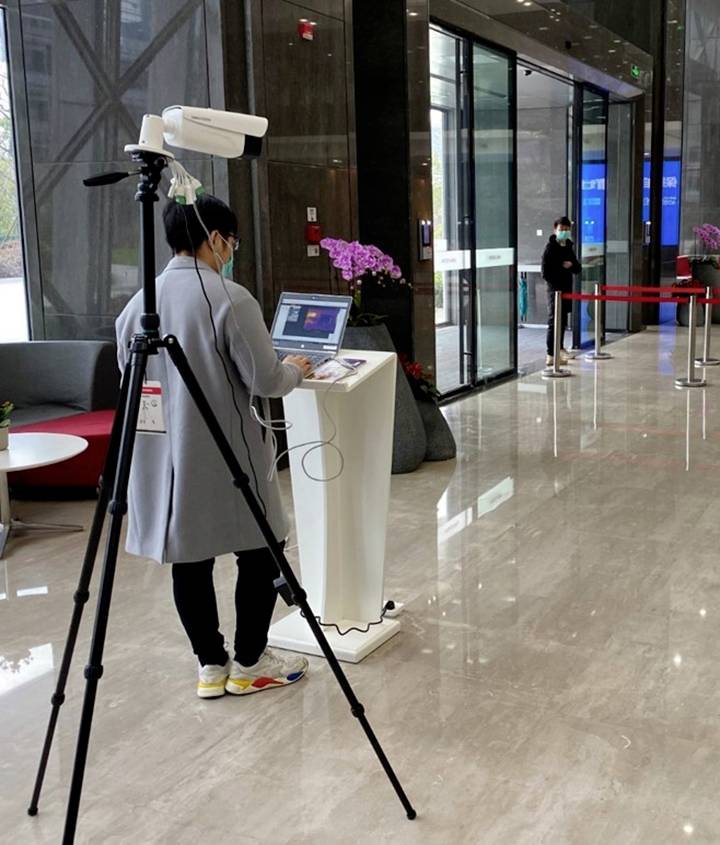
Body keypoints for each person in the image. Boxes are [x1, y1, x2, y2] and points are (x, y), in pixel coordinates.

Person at [115, 194, 313, 699]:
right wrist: (296, 369)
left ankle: (209, 665)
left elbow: (133, 382)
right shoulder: (230, 297)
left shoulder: (139, 305)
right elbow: (266, 380)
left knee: (190, 558)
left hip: (167, 459)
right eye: (232, 241)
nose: (232, 250)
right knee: (262, 549)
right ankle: (249, 662)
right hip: (231, 456)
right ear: (217, 238)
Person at [541, 216, 582, 366]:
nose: (564, 232)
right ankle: (551, 354)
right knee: (554, 321)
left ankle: (560, 348)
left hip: (566, 289)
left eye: (566, 229)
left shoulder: (568, 247)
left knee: (563, 321)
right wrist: (561, 268)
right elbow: (545, 272)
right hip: (554, 291)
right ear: (555, 230)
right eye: (561, 229)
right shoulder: (550, 248)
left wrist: (570, 265)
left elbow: (577, 268)